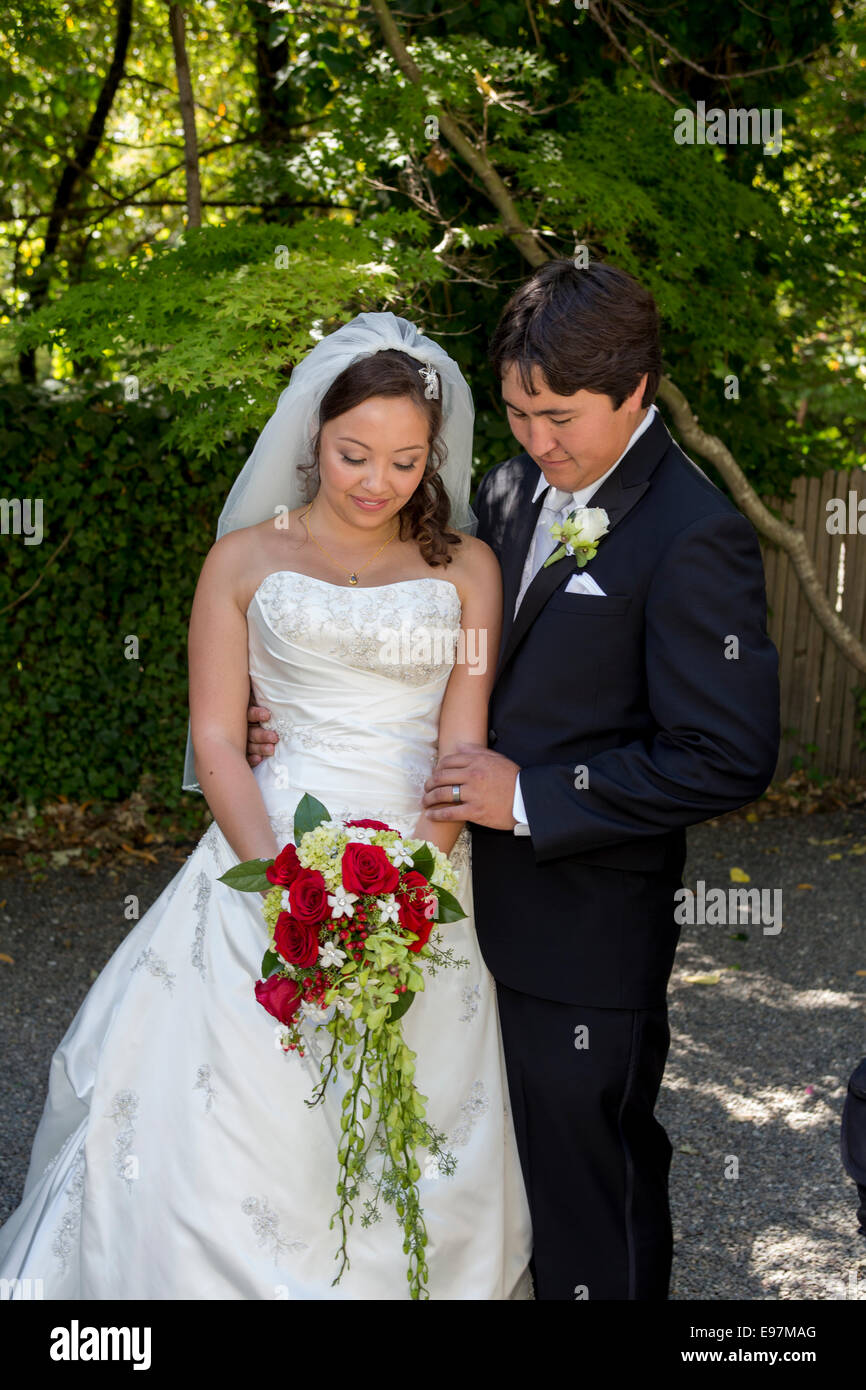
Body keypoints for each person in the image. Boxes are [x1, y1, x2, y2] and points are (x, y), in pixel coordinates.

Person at [250, 260, 781, 1301]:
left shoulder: (692, 532)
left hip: (579, 926)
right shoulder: (499, 490)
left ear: (634, 390)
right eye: (513, 410)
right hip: (441, 902)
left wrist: (531, 795)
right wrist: (300, 705)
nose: (534, 438)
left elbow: (726, 752)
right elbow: (431, 638)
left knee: (589, 1172)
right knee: (481, 1169)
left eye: (557, 416)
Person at [0, 313, 533, 1300]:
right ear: (312, 439)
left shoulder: (468, 569)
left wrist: (408, 890)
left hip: (422, 863)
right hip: (268, 856)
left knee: (411, 1113)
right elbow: (215, 737)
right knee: (248, 1110)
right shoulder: (243, 561)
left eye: (405, 460)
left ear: (435, 455)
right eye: (353, 454)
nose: (376, 480)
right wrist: (289, 886)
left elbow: (462, 738)